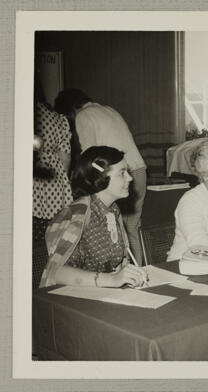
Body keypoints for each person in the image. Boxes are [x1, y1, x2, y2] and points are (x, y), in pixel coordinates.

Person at [54, 89, 147, 265]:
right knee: (131, 228)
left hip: (114, 175)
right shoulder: (110, 110)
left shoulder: (83, 115)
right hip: (138, 170)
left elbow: (90, 155)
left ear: (71, 110)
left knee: (111, 229)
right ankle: (139, 271)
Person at [39, 146, 148, 289]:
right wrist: (111, 280)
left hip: (99, 294)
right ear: (100, 177)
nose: (130, 178)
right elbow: (55, 273)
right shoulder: (76, 214)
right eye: (122, 173)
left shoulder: (113, 210)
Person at [33, 94, 73, 244]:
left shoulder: (22, 112)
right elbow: (65, 158)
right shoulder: (57, 118)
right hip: (54, 184)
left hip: (31, 181)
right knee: (50, 238)